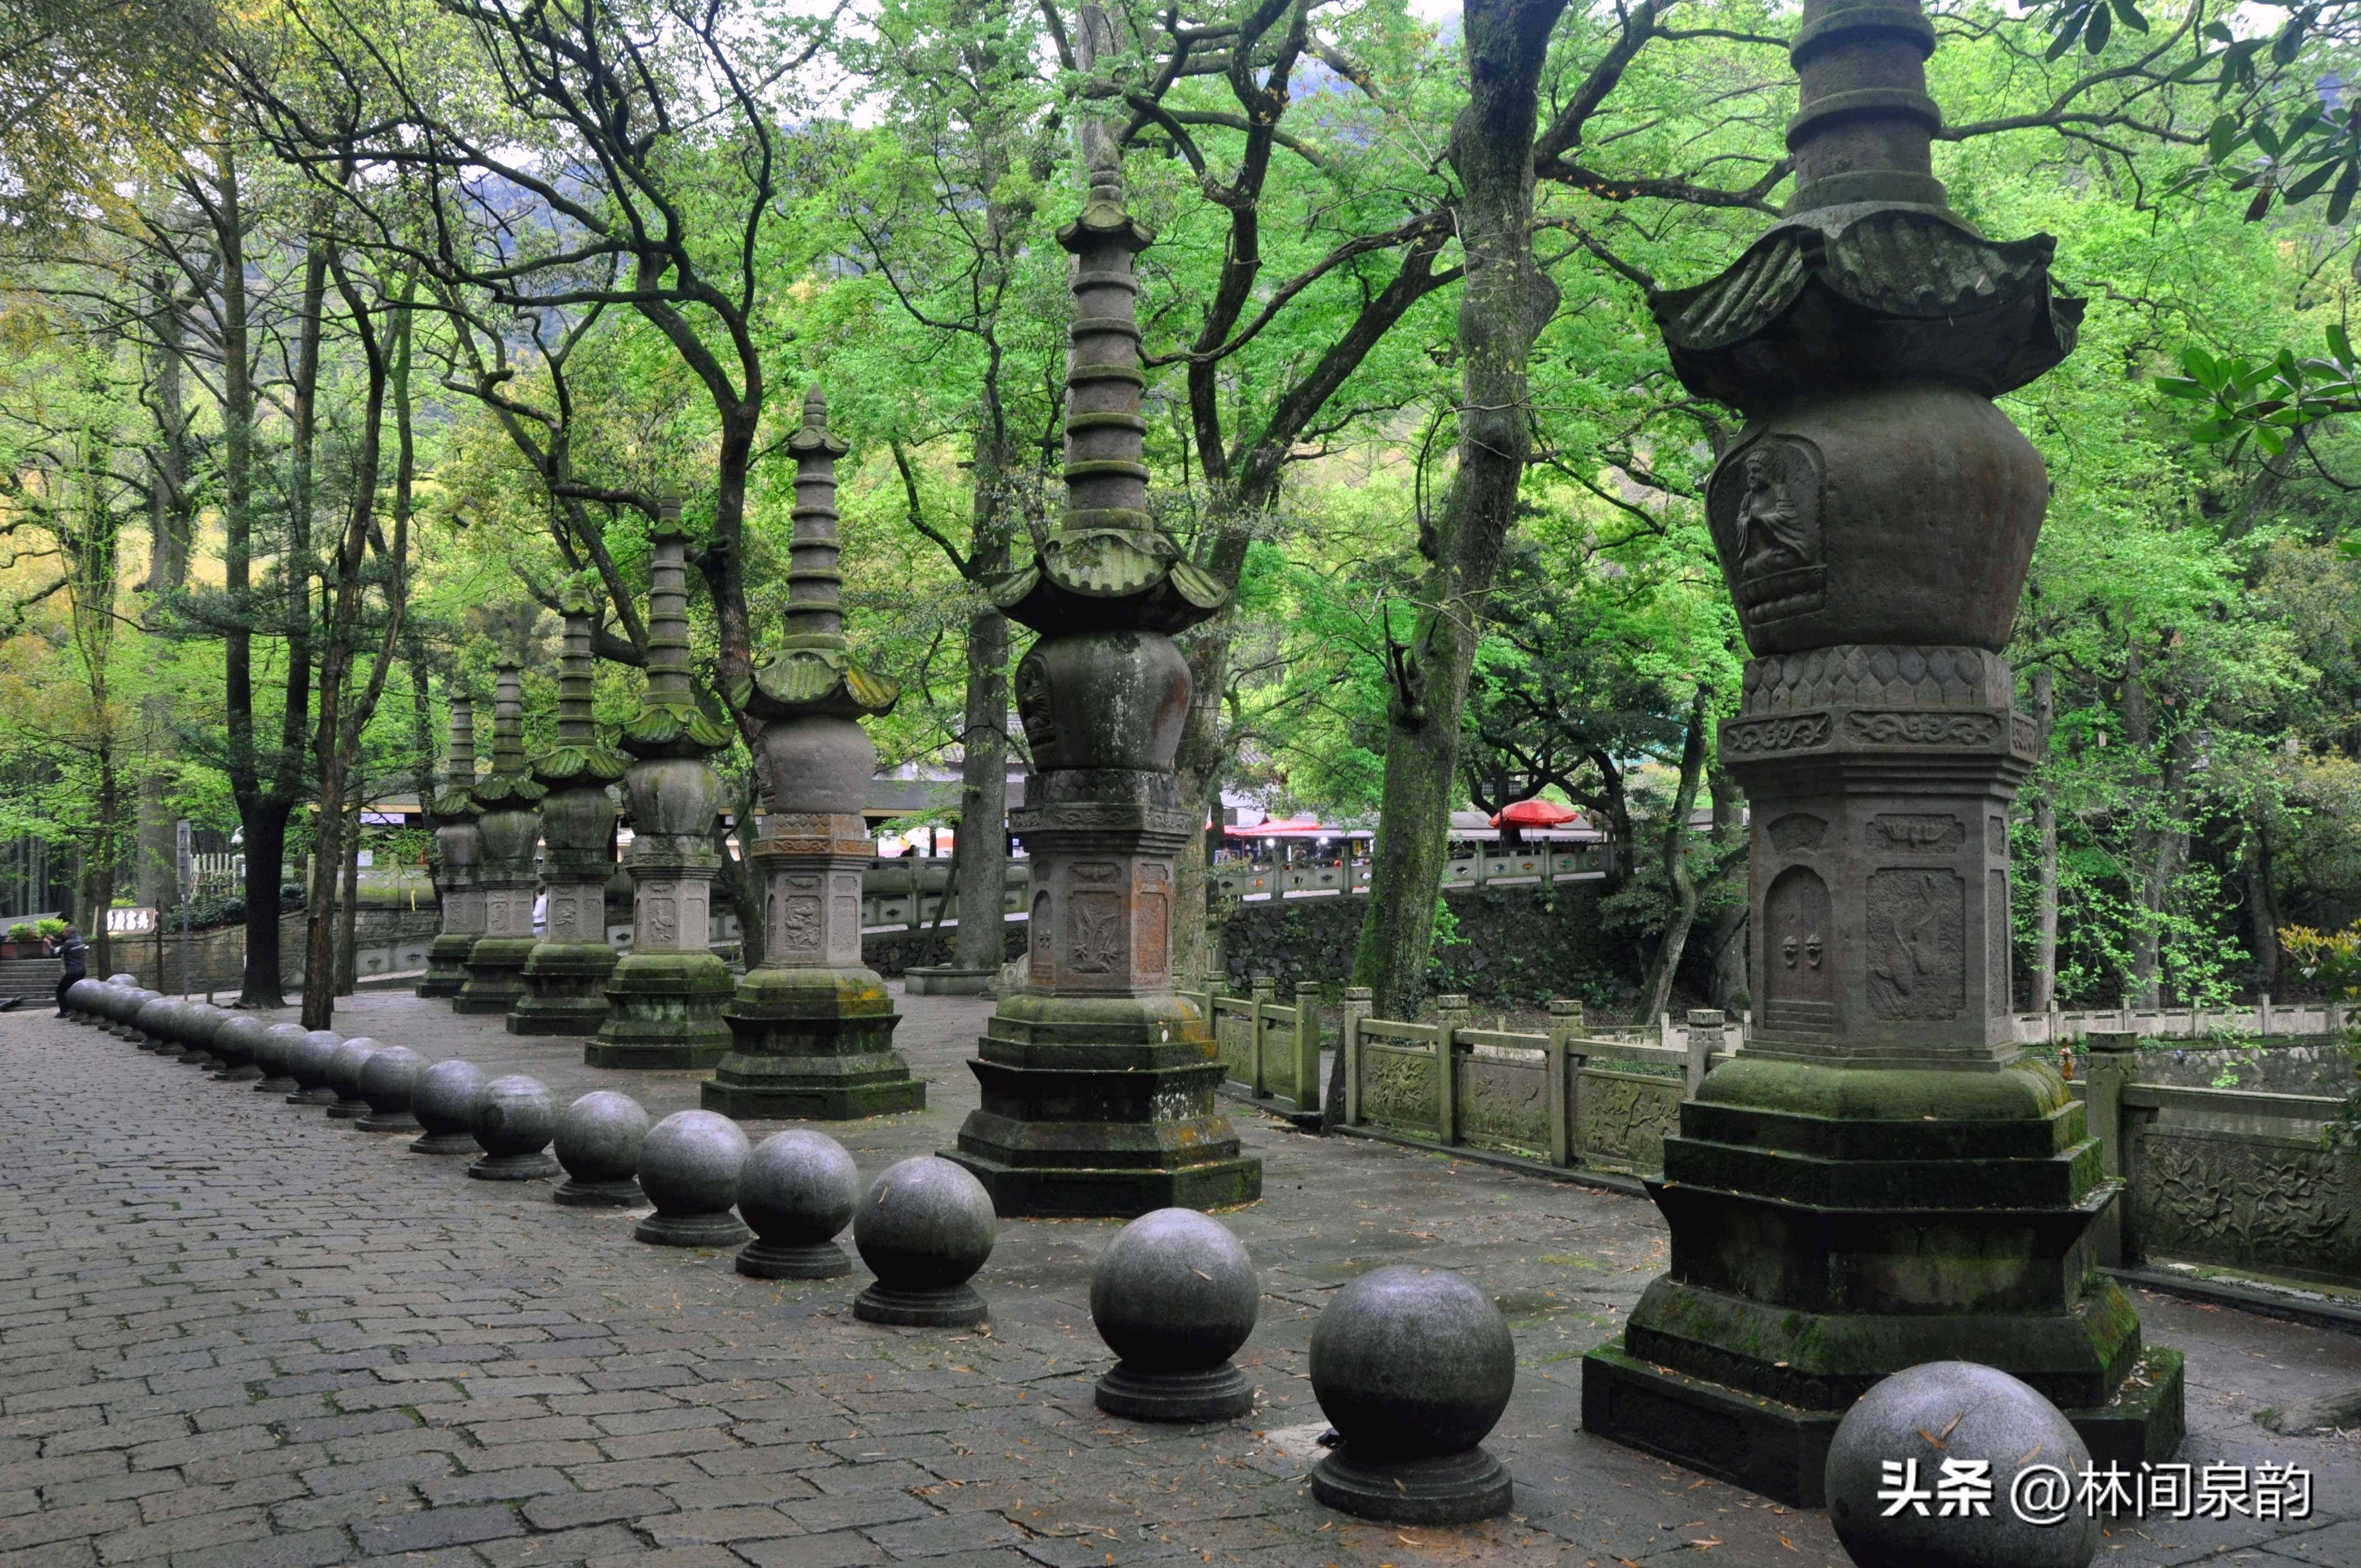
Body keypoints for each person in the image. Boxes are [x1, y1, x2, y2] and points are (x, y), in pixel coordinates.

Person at [52, 925, 86, 1016]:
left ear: (67, 933)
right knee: (76, 991)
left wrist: (48, 943)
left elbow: (56, 951)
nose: (63, 934)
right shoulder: (80, 940)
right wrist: (54, 940)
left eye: (64, 932)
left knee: (60, 991)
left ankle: (65, 1011)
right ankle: (77, 1009)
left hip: (72, 972)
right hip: (82, 971)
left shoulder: (69, 943)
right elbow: (65, 944)